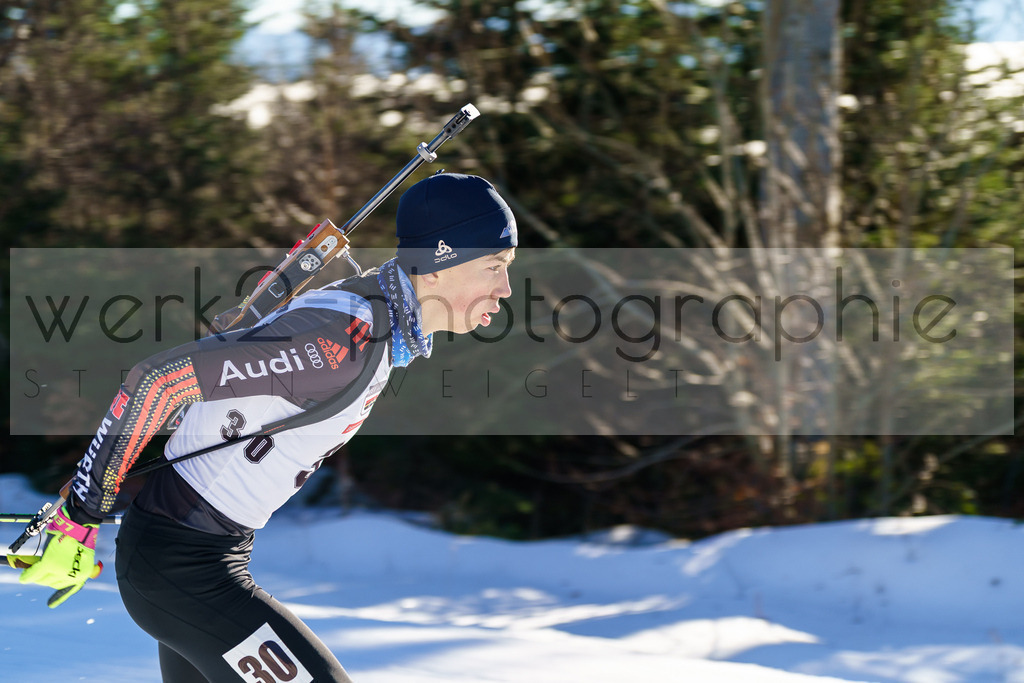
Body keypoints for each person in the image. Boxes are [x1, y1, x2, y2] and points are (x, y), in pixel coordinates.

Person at [9, 172, 518, 682]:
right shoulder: (342, 342)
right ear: (436, 264)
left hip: (192, 560)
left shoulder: (369, 317)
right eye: (494, 266)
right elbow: (156, 382)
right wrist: (80, 513)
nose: (506, 288)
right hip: (184, 569)